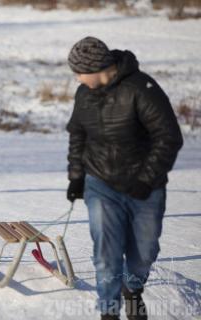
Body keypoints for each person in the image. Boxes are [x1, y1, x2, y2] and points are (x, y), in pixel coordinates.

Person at [66, 37, 183, 320]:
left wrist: (146, 179)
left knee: (144, 251)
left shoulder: (141, 88)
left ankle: (133, 289)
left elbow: (169, 137)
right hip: (100, 183)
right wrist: (76, 177)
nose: (78, 78)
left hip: (145, 187)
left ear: (97, 67)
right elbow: (77, 135)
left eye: (80, 72)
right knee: (106, 252)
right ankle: (108, 310)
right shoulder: (84, 94)